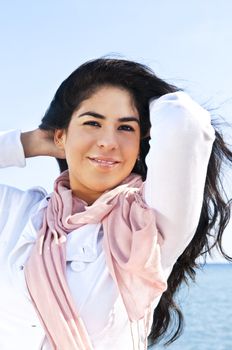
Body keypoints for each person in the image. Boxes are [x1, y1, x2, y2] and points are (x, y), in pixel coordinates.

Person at [0, 58, 231, 350]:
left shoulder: (150, 223)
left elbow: (184, 120)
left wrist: (141, 92)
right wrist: (31, 142)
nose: (108, 141)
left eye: (125, 128)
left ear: (140, 144)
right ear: (61, 135)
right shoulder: (17, 213)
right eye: (93, 123)